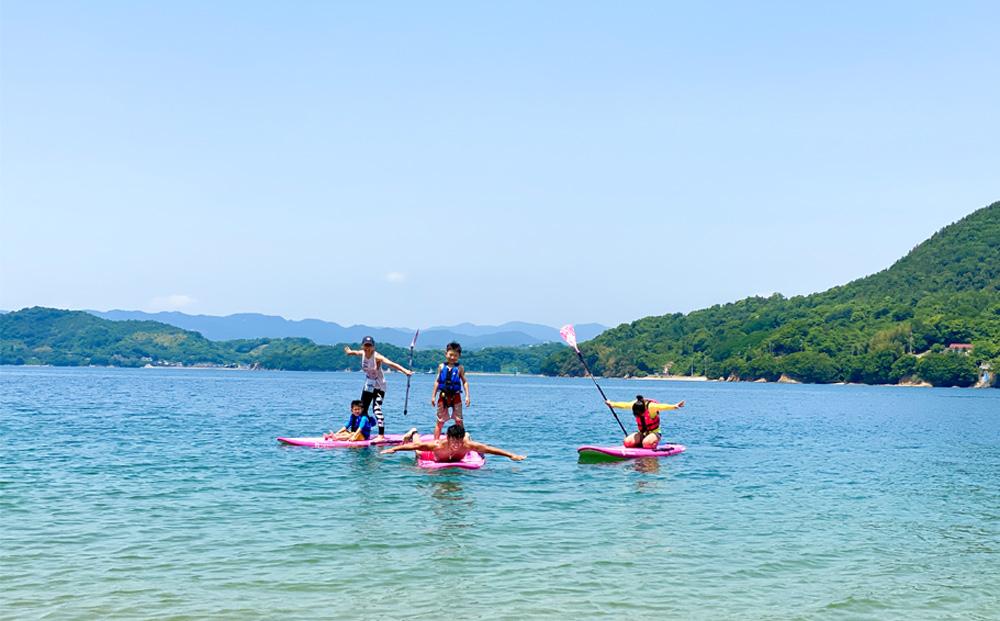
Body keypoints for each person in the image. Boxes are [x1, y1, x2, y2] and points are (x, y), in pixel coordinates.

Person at [344, 336, 413, 441]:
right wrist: (349, 352)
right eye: (365, 345)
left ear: (373, 347)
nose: (367, 348)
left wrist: (405, 371)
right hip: (368, 385)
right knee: (362, 409)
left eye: (369, 345)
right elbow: (355, 353)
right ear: (362, 346)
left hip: (379, 386)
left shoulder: (377, 357)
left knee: (376, 409)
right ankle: (359, 431)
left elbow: (392, 364)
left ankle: (381, 435)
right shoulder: (362, 353)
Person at [381, 423, 525, 462]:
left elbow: (488, 448)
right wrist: (394, 449)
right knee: (418, 452)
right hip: (434, 458)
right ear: (448, 438)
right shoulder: (438, 445)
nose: (456, 444)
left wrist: (511, 455)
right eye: (453, 441)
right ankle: (414, 432)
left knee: (474, 445)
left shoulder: (467, 445)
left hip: (457, 453)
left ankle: (467, 433)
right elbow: (415, 446)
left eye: (459, 441)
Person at [605, 394, 685, 449]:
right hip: (642, 433)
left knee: (647, 444)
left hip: (654, 432)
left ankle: (651, 442)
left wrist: (675, 406)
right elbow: (624, 405)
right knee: (627, 442)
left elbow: (662, 406)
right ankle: (642, 441)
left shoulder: (651, 407)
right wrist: (611, 404)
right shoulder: (635, 405)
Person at [430, 341, 470, 439]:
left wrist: (467, 396)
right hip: (443, 397)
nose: (452, 357)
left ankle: (461, 440)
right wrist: (433, 396)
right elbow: (437, 382)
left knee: (459, 420)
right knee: (440, 421)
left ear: (459, 356)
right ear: (446, 353)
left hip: (456, 396)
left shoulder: (460, 368)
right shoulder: (441, 367)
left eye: (455, 355)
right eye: (450, 354)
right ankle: (436, 441)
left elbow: (465, 382)